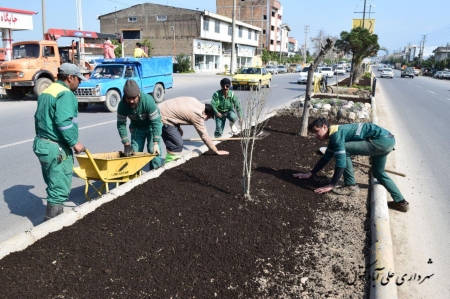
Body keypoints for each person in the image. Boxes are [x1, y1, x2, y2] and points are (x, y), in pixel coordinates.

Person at [293, 117, 410, 213]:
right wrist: (311, 173)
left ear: (324, 127)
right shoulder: (335, 133)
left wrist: (332, 184)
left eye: (316, 131)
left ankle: (351, 186)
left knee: (345, 150)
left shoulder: (336, 135)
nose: (315, 135)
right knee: (378, 173)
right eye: (313, 133)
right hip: (388, 140)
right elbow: (326, 157)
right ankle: (401, 202)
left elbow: (341, 162)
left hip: (380, 140)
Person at [33, 63, 86, 221]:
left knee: (52, 183)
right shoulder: (65, 93)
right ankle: (51, 227)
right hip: (56, 148)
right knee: (59, 189)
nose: (80, 82)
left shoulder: (47, 90)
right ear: (70, 77)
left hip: (42, 144)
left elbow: (39, 119)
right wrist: (75, 142)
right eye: (78, 79)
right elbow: (64, 123)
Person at [158, 97, 229, 163]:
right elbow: (204, 135)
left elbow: (178, 111)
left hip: (161, 110)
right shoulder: (198, 115)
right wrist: (215, 150)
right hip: (162, 118)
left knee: (176, 140)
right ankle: (169, 165)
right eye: (208, 117)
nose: (206, 120)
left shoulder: (195, 101)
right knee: (177, 145)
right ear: (205, 113)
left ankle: (164, 162)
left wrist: (178, 127)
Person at [117, 79, 162, 170]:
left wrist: (156, 142)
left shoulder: (148, 101)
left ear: (138, 95)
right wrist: (126, 144)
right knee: (134, 153)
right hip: (137, 128)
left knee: (152, 150)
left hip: (151, 127)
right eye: (128, 98)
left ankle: (155, 173)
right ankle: (135, 176)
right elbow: (121, 124)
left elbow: (156, 123)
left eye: (134, 98)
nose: (131, 101)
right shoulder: (122, 105)